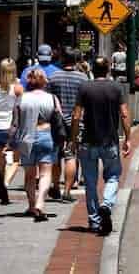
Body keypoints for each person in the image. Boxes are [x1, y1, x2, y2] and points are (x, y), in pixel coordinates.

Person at [72, 57, 131, 235]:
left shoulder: (85, 87)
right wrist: (128, 138)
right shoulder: (116, 87)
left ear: (93, 69)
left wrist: (73, 138)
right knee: (113, 176)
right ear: (108, 69)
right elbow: (125, 114)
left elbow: (76, 116)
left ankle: (94, 221)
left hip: (88, 141)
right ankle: (106, 203)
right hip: (109, 141)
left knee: (90, 183)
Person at [13, 68, 61, 221]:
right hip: (46, 135)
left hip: (27, 136)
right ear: (44, 81)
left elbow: (15, 122)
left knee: (29, 174)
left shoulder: (21, 98)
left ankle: (32, 205)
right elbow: (58, 117)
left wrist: (11, 141)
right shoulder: (52, 98)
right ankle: (41, 203)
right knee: (46, 173)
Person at [48, 49, 88, 202]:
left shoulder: (53, 77)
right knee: (71, 155)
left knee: (56, 156)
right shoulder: (83, 78)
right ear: (76, 61)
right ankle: (67, 191)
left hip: (56, 121)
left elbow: (48, 99)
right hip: (76, 121)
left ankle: (56, 187)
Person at [0, 58, 24, 192]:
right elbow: (22, 108)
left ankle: (1, 181)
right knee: (16, 159)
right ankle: (5, 182)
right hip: (12, 128)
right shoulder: (18, 88)